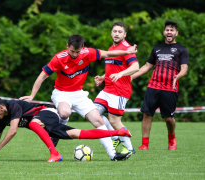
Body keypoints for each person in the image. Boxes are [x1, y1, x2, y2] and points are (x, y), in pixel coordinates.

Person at [19, 34, 137, 161]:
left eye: (77, 51)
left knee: (98, 120)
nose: (75, 54)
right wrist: (32, 95)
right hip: (61, 93)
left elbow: (107, 54)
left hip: (79, 94)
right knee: (64, 113)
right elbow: (42, 76)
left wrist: (127, 51)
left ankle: (113, 155)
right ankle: (56, 132)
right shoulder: (59, 58)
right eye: (72, 51)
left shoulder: (87, 53)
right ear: (67, 46)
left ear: (83, 47)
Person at [0, 96, 132, 162]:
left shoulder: (13, 106)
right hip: (44, 124)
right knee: (78, 134)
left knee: (34, 124)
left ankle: (55, 154)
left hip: (48, 112)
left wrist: (0, 148)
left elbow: (13, 130)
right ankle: (118, 132)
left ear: (1, 107)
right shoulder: (2, 118)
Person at [131, 20, 189, 150]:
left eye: (172, 30)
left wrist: (178, 75)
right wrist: (132, 76)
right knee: (147, 114)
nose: (169, 32)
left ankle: (171, 138)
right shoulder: (157, 48)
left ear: (176, 33)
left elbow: (184, 68)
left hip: (170, 88)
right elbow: (147, 66)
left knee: (168, 118)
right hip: (153, 86)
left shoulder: (182, 49)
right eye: (167, 30)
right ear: (164, 32)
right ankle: (145, 144)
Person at [94, 22, 139, 154]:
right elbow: (114, 66)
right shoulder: (111, 48)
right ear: (111, 33)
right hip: (107, 89)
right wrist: (103, 77)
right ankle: (115, 136)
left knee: (114, 121)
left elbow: (135, 67)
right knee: (93, 113)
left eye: (120, 32)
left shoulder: (126, 48)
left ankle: (130, 148)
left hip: (120, 91)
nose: (117, 33)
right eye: (115, 31)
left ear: (125, 34)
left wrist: (120, 74)